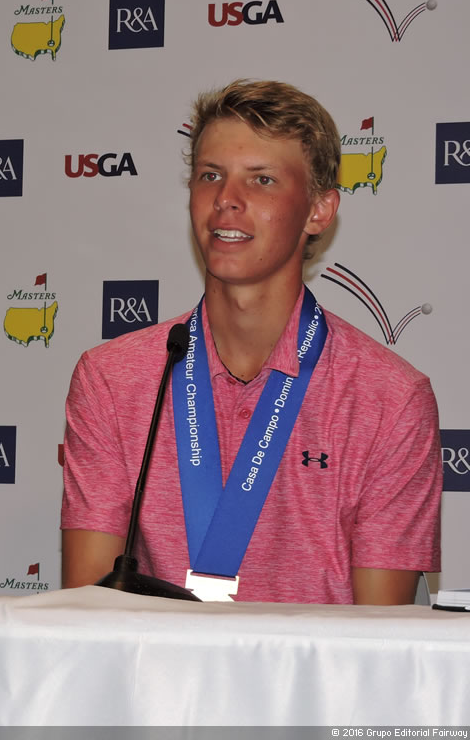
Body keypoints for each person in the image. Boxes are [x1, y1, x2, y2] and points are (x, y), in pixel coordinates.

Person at [61, 79, 442, 604]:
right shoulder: (110, 379)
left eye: (262, 180)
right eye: (210, 175)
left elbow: (377, 639)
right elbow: (85, 615)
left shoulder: (391, 399)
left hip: (315, 665)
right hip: (152, 662)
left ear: (319, 211)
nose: (226, 200)